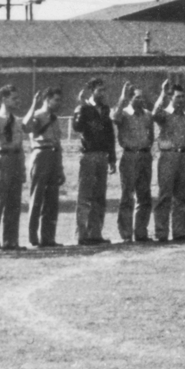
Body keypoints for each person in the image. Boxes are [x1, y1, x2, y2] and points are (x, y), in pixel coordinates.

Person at [72, 79, 115, 245]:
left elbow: (110, 134)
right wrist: (83, 108)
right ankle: (82, 235)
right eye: (99, 90)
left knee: (99, 196)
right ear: (91, 92)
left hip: (102, 156)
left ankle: (95, 233)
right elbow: (78, 127)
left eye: (104, 90)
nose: (103, 94)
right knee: (85, 197)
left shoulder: (105, 110)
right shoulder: (83, 108)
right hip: (88, 155)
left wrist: (112, 158)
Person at [152, 81, 185, 242]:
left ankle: (180, 232)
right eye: (177, 97)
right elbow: (154, 114)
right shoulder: (164, 115)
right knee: (165, 195)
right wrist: (163, 93)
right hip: (168, 156)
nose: (181, 100)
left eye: (183, 97)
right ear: (171, 98)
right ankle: (161, 233)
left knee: (183, 196)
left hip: (184, 157)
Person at [0, 86, 27, 251]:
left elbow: (21, 145)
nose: (17, 101)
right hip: (3, 161)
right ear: (3, 99)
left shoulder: (16, 120)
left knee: (14, 203)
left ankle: (11, 241)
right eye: (13, 98)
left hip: (16, 160)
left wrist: (23, 167)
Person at [25, 85, 66, 248]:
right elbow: (27, 127)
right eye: (55, 100)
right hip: (40, 154)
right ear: (47, 100)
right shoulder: (37, 115)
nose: (58, 103)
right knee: (37, 198)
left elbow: (58, 142)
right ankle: (33, 237)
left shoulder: (54, 118)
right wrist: (33, 106)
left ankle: (48, 237)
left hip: (54, 155)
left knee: (52, 200)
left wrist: (60, 167)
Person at [114, 83, 155, 243]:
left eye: (142, 97)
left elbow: (151, 135)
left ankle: (141, 232)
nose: (141, 100)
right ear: (130, 98)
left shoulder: (147, 115)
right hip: (129, 156)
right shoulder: (123, 113)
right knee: (127, 195)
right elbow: (115, 119)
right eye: (137, 97)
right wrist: (121, 98)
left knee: (144, 196)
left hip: (145, 156)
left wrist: (146, 148)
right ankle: (125, 234)